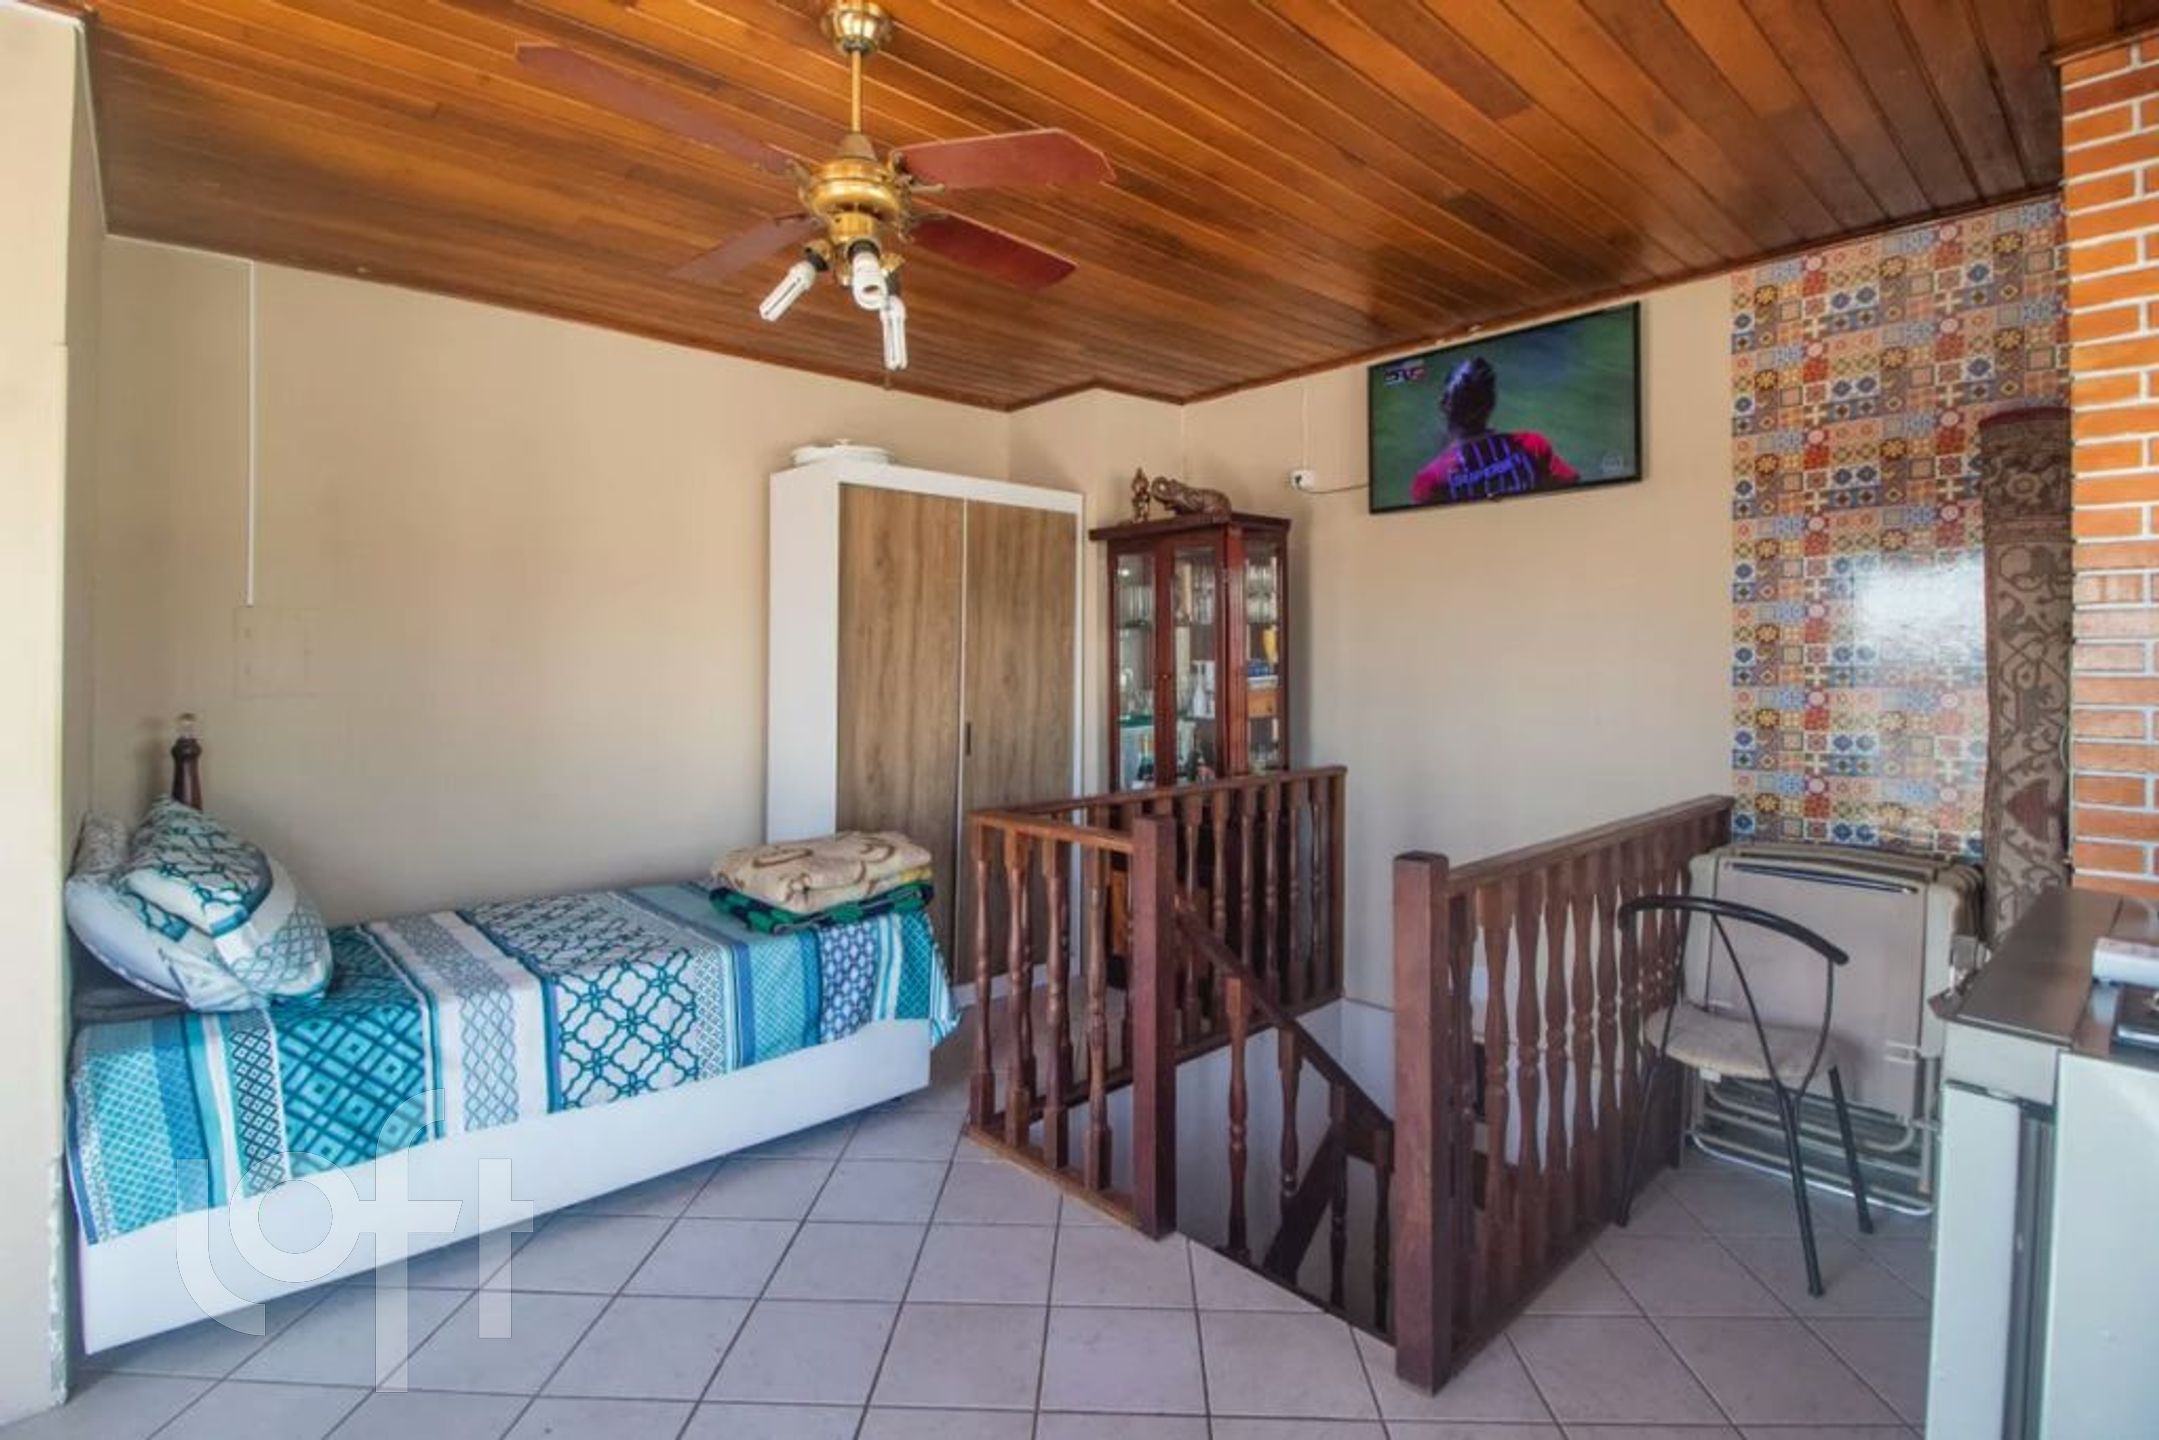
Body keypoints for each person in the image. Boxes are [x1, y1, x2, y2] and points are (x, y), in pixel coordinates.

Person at [1410, 356, 1579, 504]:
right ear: (1492, 403)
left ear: (1443, 403)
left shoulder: (1431, 480)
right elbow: (1571, 489)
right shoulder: (1530, 447)